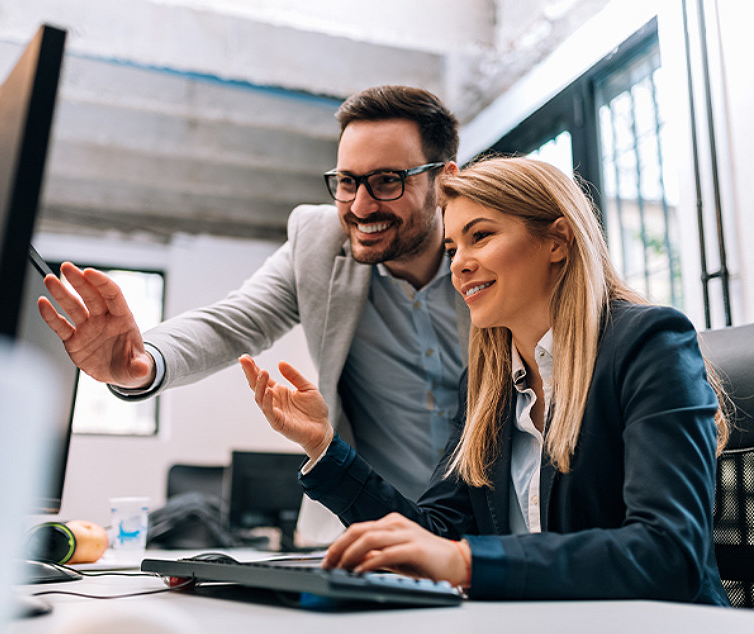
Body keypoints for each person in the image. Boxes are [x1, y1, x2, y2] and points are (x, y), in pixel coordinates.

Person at [239, 155, 730, 604]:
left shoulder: (650, 345)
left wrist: (467, 563)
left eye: (481, 236)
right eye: (453, 247)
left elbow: (670, 552)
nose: (459, 264)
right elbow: (434, 535)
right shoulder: (485, 384)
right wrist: (324, 447)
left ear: (557, 240)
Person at [36, 85, 469, 543]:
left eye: (387, 181)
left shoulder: (492, 254)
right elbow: (234, 321)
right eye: (346, 181)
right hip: (368, 527)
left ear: (443, 180)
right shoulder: (319, 243)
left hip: (492, 527)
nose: (360, 206)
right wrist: (144, 361)